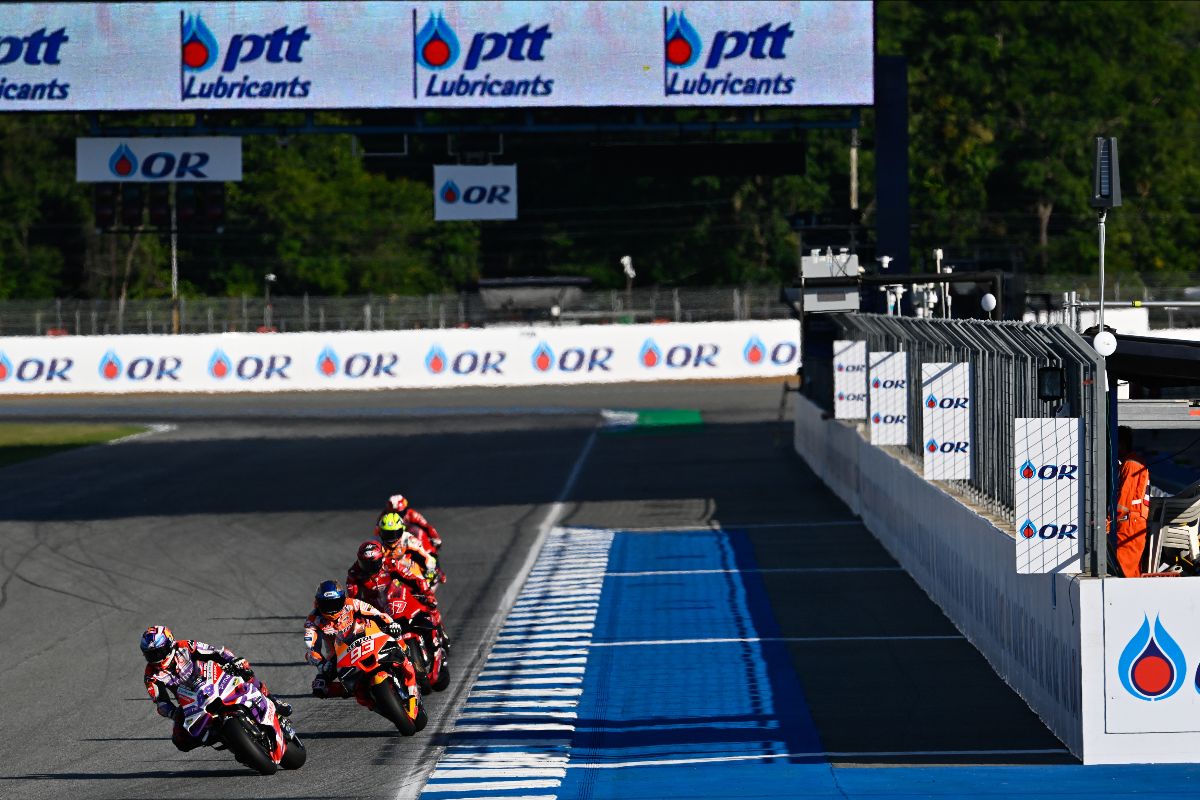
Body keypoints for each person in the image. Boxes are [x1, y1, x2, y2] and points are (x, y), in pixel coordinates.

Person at [141, 625, 291, 752]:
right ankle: (222, 736)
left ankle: (273, 701)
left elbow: (214, 652)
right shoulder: (151, 675)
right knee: (179, 741)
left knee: (243, 669)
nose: (155, 658)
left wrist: (232, 660)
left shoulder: (186, 646)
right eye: (150, 654)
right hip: (192, 701)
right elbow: (161, 702)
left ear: (169, 644)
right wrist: (174, 713)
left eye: (158, 652)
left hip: (214, 680)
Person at [303, 579, 416, 704]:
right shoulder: (313, 620)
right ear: (318, 604)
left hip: (367, 635)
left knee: (396, 635)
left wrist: (391, 624)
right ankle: (357, 692)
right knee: (319, 687)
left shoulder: (351, 603)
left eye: (335, 603)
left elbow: (377, 614)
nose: (332, 610)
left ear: (343, 599)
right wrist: (321, 665)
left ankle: (406, 658)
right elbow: (311, 647)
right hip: (340, 654)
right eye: (327, 605)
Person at [346, 540, 435, 614]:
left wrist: (428, 593)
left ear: (381, 559)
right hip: (375, 612)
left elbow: (414, 578)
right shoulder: (354, 574)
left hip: (399, 601)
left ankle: (438, 630)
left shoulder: (391, 564)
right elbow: (354, 601)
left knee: (428, 610)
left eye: (373, 564)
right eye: (365, 564)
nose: (369, 568)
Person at [1113, 426, 1151, 577]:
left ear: (1121, 444)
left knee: (1124, 572)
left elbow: (1123, 502)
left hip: (1129, 525)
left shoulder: (1131, 464)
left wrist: (1109, 523)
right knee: (1132, 573)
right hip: (1133, 523)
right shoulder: (1133, 462)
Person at [376, 511, 444, 586]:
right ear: (380, 533)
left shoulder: (408, 539)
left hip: (407, 570)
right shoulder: (376, 543)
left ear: (402, 530)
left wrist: (430, 570)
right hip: (386, 575)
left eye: (395, 533)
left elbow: (426, 557)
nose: (392, 538)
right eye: (387, 534)